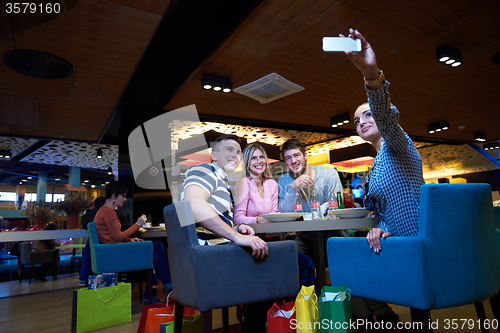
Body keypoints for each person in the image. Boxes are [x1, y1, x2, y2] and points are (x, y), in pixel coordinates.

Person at [181, 134, 314, 333]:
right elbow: (193, 205)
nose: (234, 155)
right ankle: (299, 324)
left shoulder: (222, 182)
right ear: (213, 154)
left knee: (277, 263)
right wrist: (236, 236)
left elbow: (218, 219)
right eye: (228, 149)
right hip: (212, 259)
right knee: (300, 263)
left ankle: (257, 325)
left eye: (237, 151)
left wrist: (236, 229)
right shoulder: (203, 170)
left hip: (216, 253)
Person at [94, 180, 172, 302]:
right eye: (123, 196)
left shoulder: (104, 211)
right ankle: (166, 284)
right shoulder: (108, 212)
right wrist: (138, 224)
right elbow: (117, 238)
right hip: (115, 253)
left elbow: (113, 236)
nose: (124, 199)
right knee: (157, 246)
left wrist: (130, 239)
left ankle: (151, 293)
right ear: (114, 195)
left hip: (111, 250)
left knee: (153, 254)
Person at [278, 138, 344, 260]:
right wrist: (293, 188)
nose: (293, 161)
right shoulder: (284, 180)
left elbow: (336, 207)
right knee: (292, 264)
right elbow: (284, 214)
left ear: (305, 155)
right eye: (288, 158)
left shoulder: (329, 173)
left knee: (344, 268)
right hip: (304, 237)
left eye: (296, 155)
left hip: (333, 234)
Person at [234, 143, 276, 225]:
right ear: (247, 163)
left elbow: (274, 213)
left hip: (268, 233)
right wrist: (257, 220)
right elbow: (237, 219)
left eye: (261, 157)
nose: (259, 161)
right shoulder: (244, 183)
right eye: (253, 158)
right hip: (248, 235)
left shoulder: (272, 184)